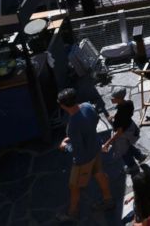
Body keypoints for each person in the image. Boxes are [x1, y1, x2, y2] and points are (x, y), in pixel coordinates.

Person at [57, 88, 114, 223]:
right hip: (95, 148)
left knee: (74, 186)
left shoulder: (73, 126)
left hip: (84, 160)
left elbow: (78, 150)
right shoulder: (87, 106)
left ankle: (72, 213)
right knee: (99, 173)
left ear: (63, 105)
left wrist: (65, 147)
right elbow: (95, 120)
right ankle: (108, 200)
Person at [101, 88, 141, 173]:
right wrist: (114, 116)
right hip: (131, 127)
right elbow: (125, 113)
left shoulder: (120, 117)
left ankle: (132, 166)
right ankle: (139, 156)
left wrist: (108, 143)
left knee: (123, 151)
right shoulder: (129, 103)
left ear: (119, 98)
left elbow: (119, 132)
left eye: (113, 97)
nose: (111, 99)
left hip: (124, 133)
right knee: (128, 145)